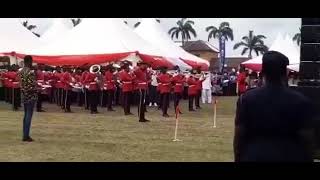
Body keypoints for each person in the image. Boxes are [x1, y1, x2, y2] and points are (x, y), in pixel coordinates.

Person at [233, 51, 316, 162]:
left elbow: (239, 135)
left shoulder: (246, 99)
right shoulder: (301, 101)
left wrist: (238, 158)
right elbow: (307, 139)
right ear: (285, 73)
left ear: (262, 73)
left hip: (254, 156)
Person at [18, 55, 37, 142]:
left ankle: (24, 134)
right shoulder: (31, 72)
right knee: (29, 115)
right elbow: (32, 85)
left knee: (25, 115)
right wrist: (38, 87)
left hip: (24, 95)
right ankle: (26, 135)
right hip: (31, 95)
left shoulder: (21, 71)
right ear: (29, 61)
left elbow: (21, 84)